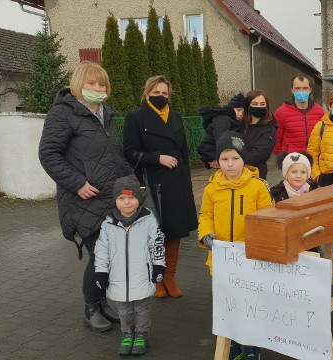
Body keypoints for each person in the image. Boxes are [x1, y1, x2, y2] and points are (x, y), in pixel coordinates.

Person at [38, 61, 131, 332]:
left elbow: (115, 156)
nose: (98, 88)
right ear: (79, 84)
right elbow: (49, 155)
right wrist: (77, 183)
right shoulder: (62, 114)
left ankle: (100, 303)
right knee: (101, 255)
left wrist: (131, 184)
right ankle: (91, 308)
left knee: (110, 255)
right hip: (82, 200)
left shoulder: (107, 114)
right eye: (92, 83)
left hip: (110, 199)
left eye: (102, 84)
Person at [197, 131, 273, 360]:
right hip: (221, 260)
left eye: (235, 158)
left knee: (250, 306)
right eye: (225, 159)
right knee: (228, 306)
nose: (230, 164)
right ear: (217, 162)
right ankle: (234, 347)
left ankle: (252, 348)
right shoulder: (211, 187)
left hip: (250, 259)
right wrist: (205, 235)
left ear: (244, 159)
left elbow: (269, 218)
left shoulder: (258, 186)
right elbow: (205, 214)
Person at [123, 75, 198, 298]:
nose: (161, 97)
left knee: (174, 233)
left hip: (176, 182)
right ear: (147, 95)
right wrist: (157, 158)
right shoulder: (135, 118)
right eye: (156, 93)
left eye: (165, 93)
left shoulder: (175, 117)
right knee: (155, 235)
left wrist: (186, 179)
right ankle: (156, 279)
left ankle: (170, 278)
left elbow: (184, 151)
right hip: (152, 184)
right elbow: (129, 152)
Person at [94, 176, 166, 356]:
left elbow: (157, 245)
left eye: (131, 198)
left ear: (139, 199)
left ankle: (141, 334)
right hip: (117, 278)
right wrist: (101, 272)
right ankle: (127, 333)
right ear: (115, 201)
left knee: (142, 308)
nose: (127, 202)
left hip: (141, 275)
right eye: (121, 198)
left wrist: (158, 266)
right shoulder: (108, 224)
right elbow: (101, 250)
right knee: (124, 310)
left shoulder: (148, 221)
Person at [274, 75, 325, 154]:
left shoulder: (319, 111)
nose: (301, 91)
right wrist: (281, 160)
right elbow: (277, 139)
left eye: (305, 88)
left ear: (310, 90)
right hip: (291, 159)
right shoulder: (280, 112)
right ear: (292, 90)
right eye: (298, 88)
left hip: (313, 158)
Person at [198, 93, 248, 169]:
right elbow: (220, 138)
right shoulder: (223, 119)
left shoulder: (233, 121)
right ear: (231, 108)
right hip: (215, 154)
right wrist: (221, 158)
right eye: (238, 110)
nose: (240, 114)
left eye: (243, 112)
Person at [242, 90, 277, 179]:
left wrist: (235, 161)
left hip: (256, 174)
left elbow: (259, 152)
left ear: (267, 106)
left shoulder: (269, 128)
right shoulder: (241, 125)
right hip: (235, 174)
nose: (259, 106)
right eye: (255, 103)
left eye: (262, 104)